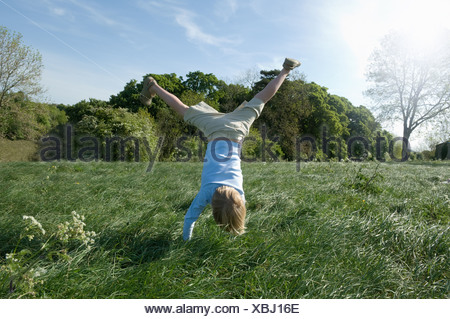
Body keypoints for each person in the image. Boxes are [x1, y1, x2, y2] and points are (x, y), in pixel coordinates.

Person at [140, 58, 301, 240]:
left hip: (236, 128)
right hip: (215, 129)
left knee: (262, 98)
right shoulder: (207, 193)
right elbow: (189, 219)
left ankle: (285, 70)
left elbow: (237, 208)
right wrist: (185, 242)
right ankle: (153, 87)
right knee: (183, 110)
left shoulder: (240, 194)